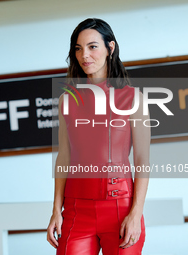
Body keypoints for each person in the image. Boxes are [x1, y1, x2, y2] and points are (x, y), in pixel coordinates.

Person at [47, 18, 151, 255]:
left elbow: (143, 160)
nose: (85, 55)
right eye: (78, 48)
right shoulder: (67, 99)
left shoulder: (134, 99)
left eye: (93, 46)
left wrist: (135, 214)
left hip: (120, 209)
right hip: (75, 210)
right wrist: (56, 210)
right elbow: (64, 157)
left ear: (110, 48)